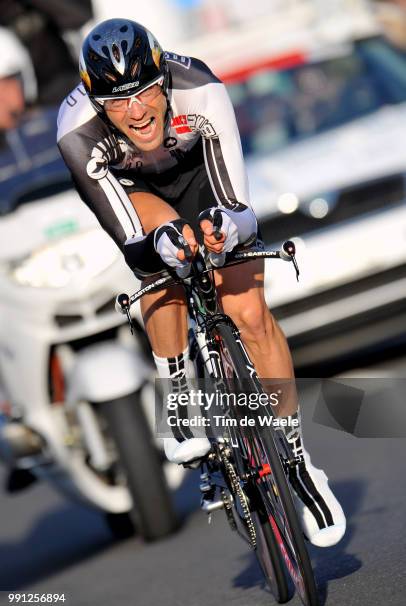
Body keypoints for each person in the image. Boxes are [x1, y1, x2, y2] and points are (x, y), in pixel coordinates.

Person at [57, 18, 346, 547]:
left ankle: (301, 463)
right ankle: (178, 393)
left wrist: (223, 231)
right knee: (159, 263)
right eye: (118, 101)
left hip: (201, 175)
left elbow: (240, 207)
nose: (137, 111)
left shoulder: (200, 88)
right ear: (97, 102)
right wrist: (166, 245)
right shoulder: (75, 130)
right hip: (135, 191)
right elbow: (132, 243)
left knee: (251, 313)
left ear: (163, 77)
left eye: (145, 91)